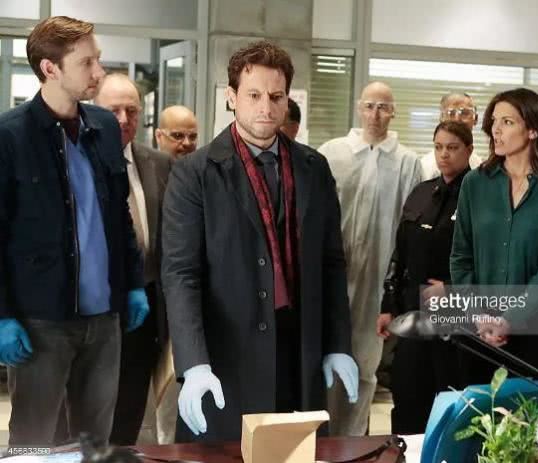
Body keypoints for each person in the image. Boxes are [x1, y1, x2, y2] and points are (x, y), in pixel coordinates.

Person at [161, 40, 358, 442]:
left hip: (299, 351)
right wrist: (193, 363)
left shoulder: (314, 168)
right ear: (232, 98)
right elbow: (181, 273)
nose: (266, 107)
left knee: (294, 453)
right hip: (226, 355)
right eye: (253, 96)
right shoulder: (195, 173)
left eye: (276, 96)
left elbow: (332, 263)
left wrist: (338, 343)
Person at [0, 16, 148, 445]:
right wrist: (3, 316)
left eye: (97, 59)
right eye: (87, 63)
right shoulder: (10, 136)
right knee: (32, 440)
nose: (98, 72)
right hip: (41, 321)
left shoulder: (103, 126)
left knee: (94, 441)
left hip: (104, 319)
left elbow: (119, 215)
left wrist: (134, 284)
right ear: (50, 68)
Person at [450, 88, 538, 384]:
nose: (496, 129)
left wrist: (511, 319)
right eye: (494, 121)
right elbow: (460, 256)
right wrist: (478, 315)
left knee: (528, 410)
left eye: (507, 122)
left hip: (536, 332)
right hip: (478, 331)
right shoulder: (474, 183)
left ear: (533, 130)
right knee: (476, 410)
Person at [318, 81, 422, 436]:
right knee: (324, 357)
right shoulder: (332, 153)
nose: (376, 114)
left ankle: (351, 441)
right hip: (332, 272)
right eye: (370, 106)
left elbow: (409, 225)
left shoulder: (407, 162)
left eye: (383, 107)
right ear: (358, 108)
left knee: (365, 363)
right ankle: (320, 441)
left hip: (378, 276)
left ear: (393, 112)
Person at [376, 121, 473, 433]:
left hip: (454, 318)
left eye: (452, 148)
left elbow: (485, 258)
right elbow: (399, 253)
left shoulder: (477, 195)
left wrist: (453, 288)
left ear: (469, 150)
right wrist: (388, 305)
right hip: (413, 312)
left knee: (451, 400)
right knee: (407, 394)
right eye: (439, 147)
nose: (444, 154)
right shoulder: (421, 193)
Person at [93, 73, 173, 445]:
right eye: (114, 110)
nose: (124, 119)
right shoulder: (77, 160)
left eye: (132, 111)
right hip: (94, 311)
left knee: (130, 410)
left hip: (146, 310)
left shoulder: (160, 164)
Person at [420, 92, 482, 179]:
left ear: (476, 119)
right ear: (441, 118)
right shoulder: (426, 168)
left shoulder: (479, 165)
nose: (457, 119)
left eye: (464, 113)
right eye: (451, 113)